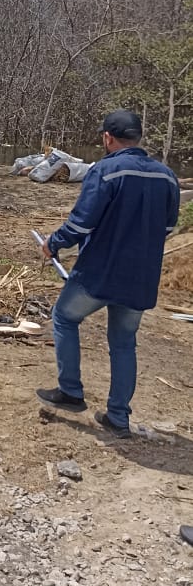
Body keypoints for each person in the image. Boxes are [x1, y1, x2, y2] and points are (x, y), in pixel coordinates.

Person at [36, 110, 180, 437]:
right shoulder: (167, 176)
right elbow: (168, 227)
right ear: (138, 137)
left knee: (64, 317)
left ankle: (71, 391)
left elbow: (81, 223)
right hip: (141, 277)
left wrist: (53, 244)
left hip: (100, 272)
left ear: (108, 138)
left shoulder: (105, 170)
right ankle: (118, 416)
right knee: (124, 342)